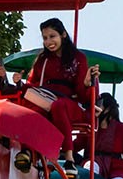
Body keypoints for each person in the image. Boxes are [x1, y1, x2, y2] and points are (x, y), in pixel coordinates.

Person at [21, 17, 91, 148]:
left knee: (58, 106)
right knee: (32, 112)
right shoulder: (43, 60)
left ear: (63, 35)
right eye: (45, 38)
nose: (48, 42)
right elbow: (32, 84)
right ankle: (29, 151)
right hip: (45, 100)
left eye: (52, 36)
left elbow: (82, 94)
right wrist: (19, 83)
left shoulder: (78, 58)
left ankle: (67, 152)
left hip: (69, 103)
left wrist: (87, 84)